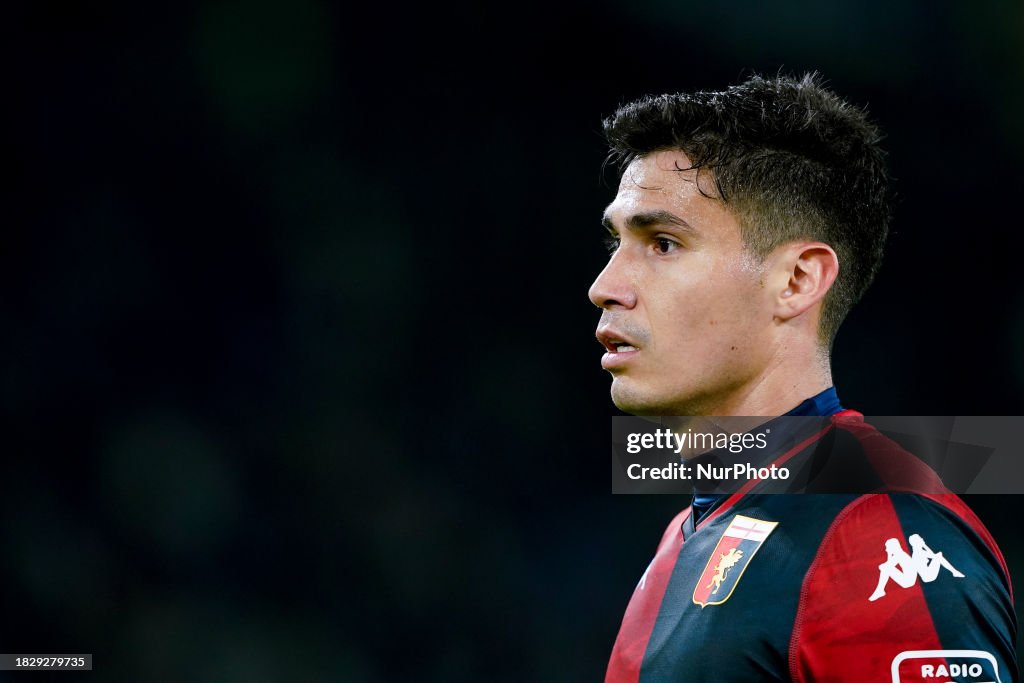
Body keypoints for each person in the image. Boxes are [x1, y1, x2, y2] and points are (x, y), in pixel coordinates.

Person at [589, 74, 1016, 683]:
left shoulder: (878, 528)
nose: (605, 286)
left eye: (662, 243)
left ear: (796, 281)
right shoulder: (686, 535)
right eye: (616, 242)